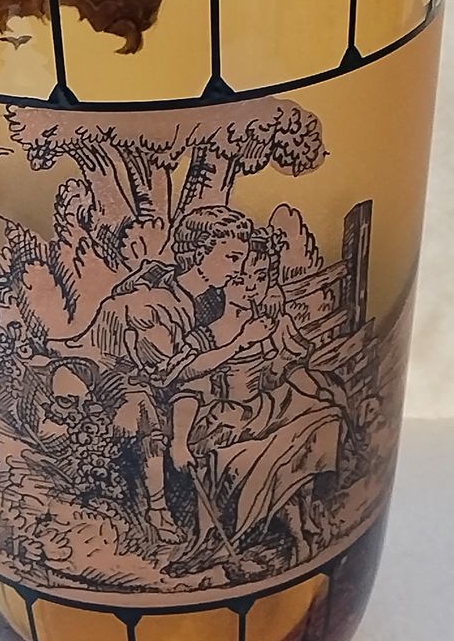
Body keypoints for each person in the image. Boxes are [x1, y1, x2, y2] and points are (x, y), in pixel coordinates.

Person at [48, 206, 254, 542]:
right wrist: (239, 342)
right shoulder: (153, 302)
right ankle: (157, 512)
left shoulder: (208, 301)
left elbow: (190, 369)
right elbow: (169, 373)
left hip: (150, 373)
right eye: (231, 257)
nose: (238, 269)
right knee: (144, 411)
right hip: (102, 369)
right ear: (200, 252)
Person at [165, 226, 348, 566]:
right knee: (264, 454)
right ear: (225, 282)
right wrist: (179, 442)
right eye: (240, 279)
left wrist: (320, 392)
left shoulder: (273, 325)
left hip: (269, 409)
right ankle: (283, 535)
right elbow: (186, 387)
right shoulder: (207, 336)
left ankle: (304, 524)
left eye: (260, 277)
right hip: (226, 421)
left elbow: (291, 370)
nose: (250, 287)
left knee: (321, 421)